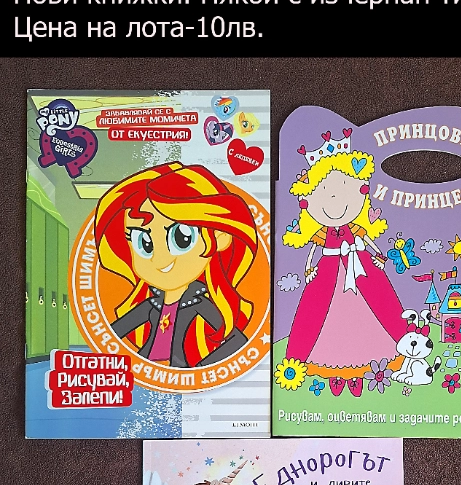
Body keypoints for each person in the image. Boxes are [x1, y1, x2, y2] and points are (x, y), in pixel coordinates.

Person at [94, 162, 257, 368]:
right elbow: (110, 334)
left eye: (182, 238)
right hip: (146, 371)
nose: (160, 260)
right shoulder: (152, 304)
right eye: (144, 243)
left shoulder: (200, 304)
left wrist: (202, 368)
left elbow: (238, 340)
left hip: (180, 370)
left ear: (219, 237)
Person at [278, 134, 405, 397]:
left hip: (361, 269)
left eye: (344, 187)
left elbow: (369, 241)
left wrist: (379, 256)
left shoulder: (356, 229)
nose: (335, 199)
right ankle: (336, 373)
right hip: (329, 274)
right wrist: (309, 269)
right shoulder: (321, 234)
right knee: (325, 316)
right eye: (324, 192)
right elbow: (312, 251)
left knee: (372, 311)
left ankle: (364, 370)